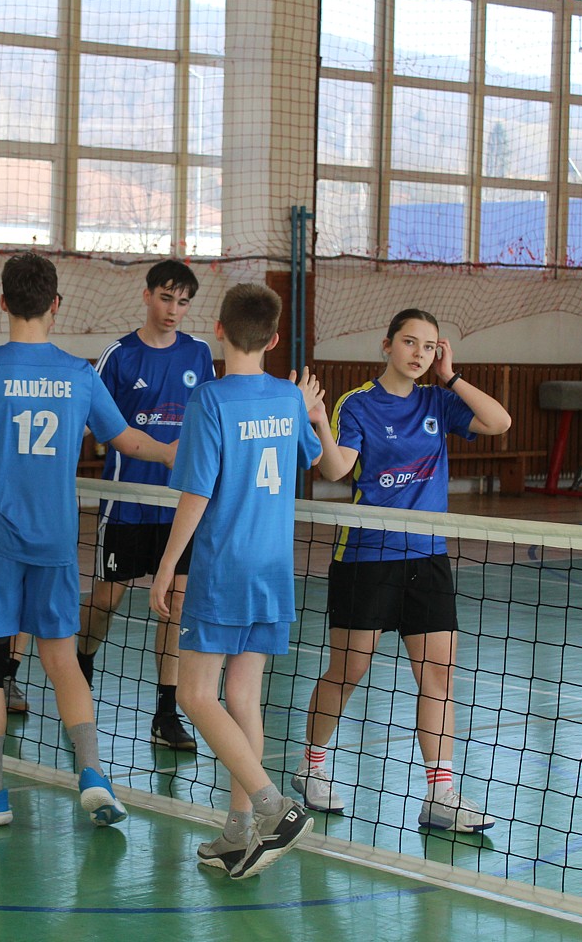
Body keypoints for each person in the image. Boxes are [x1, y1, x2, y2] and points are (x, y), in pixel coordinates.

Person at [0, 252, 175, 828]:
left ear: (3, 302)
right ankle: (94, 776)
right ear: (56, 304)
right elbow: (127, 440)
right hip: (56, 542)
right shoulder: (78, 373)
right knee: (62, 660)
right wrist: (169, 453)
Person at [292, 308, 511, 833]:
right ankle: (311, 767)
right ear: (387, 344)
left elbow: (499, 422)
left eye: (429, 347)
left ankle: (441, 794)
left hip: (428, 556)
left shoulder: (439, 400)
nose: (419, 354)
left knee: (438, 674)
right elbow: (336, 468)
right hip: (367, 556)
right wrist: (318, 421)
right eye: (410, 342)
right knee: (349, 670)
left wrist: (452, 378)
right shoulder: (358, 403)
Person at [149, 283, 328, 879]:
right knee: (243, 698)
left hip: (223, 569)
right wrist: (304, 407)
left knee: (196, 695)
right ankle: (236, 831)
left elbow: (196, 492)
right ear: (274, 340)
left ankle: (273, 808)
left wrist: (168, 564)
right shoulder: (287, 397)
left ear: (219, 330)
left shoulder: (211, 399)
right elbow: (312, 457)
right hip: (274, 569)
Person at [79, 260, 215, 751]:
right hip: (128, 503)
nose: (173, 309)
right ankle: (80, 670)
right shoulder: (118, 356)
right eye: (165, 298)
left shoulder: (199, 353)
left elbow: (210, 418)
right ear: (147, 295)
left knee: (176, 606)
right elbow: (94, 422)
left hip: (181, 506)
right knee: (106, 600)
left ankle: (166, 712)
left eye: (183, 302)